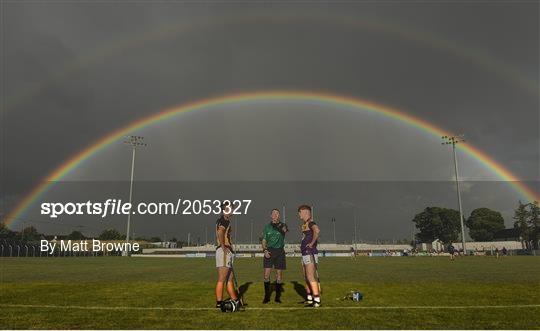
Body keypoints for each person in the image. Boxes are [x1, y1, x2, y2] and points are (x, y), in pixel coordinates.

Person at [214, 201, 240, 308]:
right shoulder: (223, 220)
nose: (232, 210)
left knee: (230, 278)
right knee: (222, 278)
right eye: (229, 209)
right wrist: (224, 247)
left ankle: (235, 299)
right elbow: (220, 232)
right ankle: (219, 303)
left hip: (227, 251)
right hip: (224, 251)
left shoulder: (225, 220)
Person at [261, 208, 288, 303]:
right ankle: (267, 296)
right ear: (270, 215)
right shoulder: (266, 227)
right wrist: (264, 250)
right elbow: (264, 240)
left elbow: (285, 230)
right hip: (269, 251)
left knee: (279, 275)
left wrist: (278, 224)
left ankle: (277, 297)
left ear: (279, 216)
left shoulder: (283, 225)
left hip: (280, 252)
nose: (275, 215)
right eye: (274, 213)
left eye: (277, 213)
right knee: (266, 275)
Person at [298, 204, 321, 307]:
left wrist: (311, 243)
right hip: (304, 253)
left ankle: (317, 300)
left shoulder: (311, 223)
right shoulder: (305, 224)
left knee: (310, 276)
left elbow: (317, 230)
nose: (299, 214)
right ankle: (309, 299)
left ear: (305, 212)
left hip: (310, 252)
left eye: (300, 212)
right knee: (306, 277)